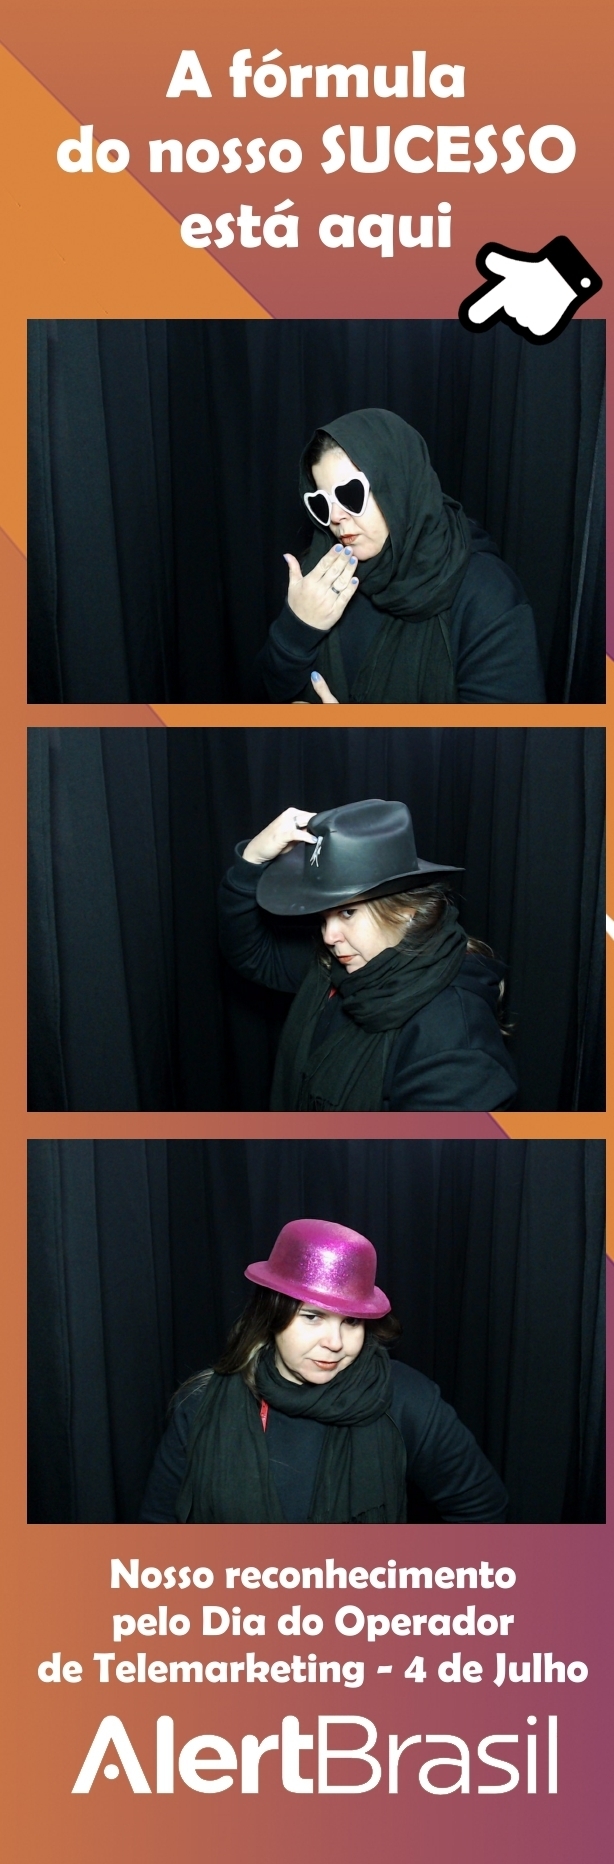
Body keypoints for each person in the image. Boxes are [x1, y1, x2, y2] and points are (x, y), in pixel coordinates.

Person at [141, 1219, 508, 1524]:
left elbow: (485, 1515)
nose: (335, 1342)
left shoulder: (406, 1399)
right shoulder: (203, 1405)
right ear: (271, 1315)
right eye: (313, 1317)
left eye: (351, 1321)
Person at [217, 798, 518, 1111]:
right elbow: (252, 952)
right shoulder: (339, 964)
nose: (329, 936)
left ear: (406, 912)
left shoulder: (453, 1036)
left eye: (348, 912)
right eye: (323, 917)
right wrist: (251, 860)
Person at [253, 409, 545, 704]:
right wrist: (297, 629)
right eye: (322, 503)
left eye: (350, 494)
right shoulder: (320, 575)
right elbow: (264, 699)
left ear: (397, 485)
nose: (336, 516)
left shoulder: (487, 593)